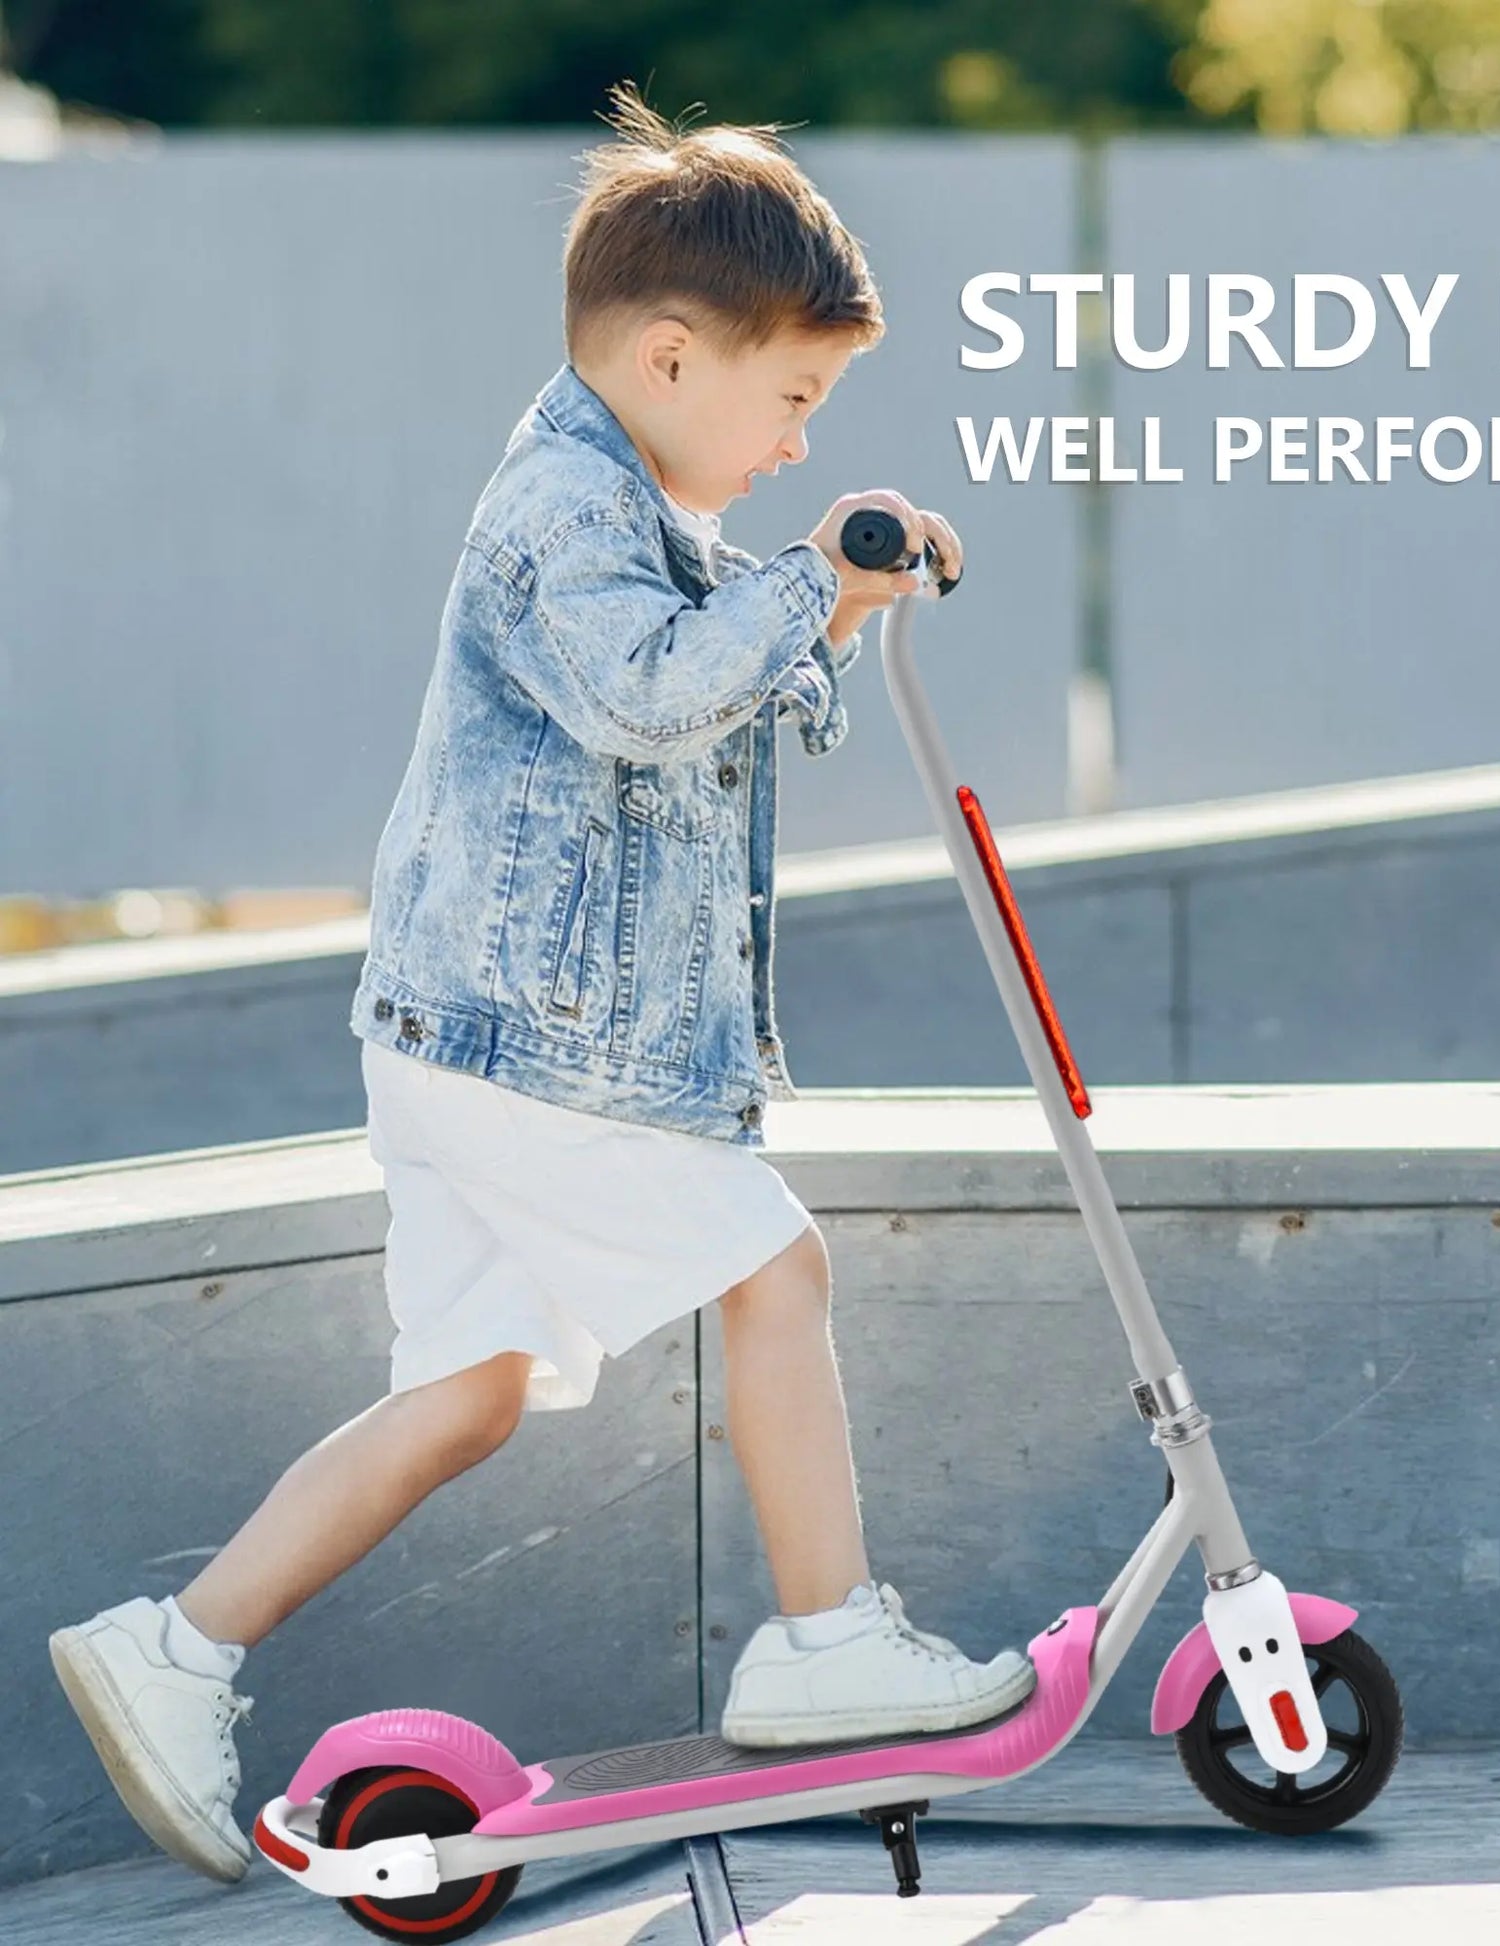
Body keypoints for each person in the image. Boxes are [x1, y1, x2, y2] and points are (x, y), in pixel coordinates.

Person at [48, 90, 1033, 1887]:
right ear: (670, 356)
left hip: (475, 1040)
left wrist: (836, 603)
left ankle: (175, 1647)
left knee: (474, 1389)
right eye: (794, 401)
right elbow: (650, 694)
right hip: (531, 1051)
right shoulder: (563, 509)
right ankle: (826, 1639)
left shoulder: (630, 503)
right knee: (776, 1265)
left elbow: (711, 682)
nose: (802, 448)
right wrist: (809, 582)